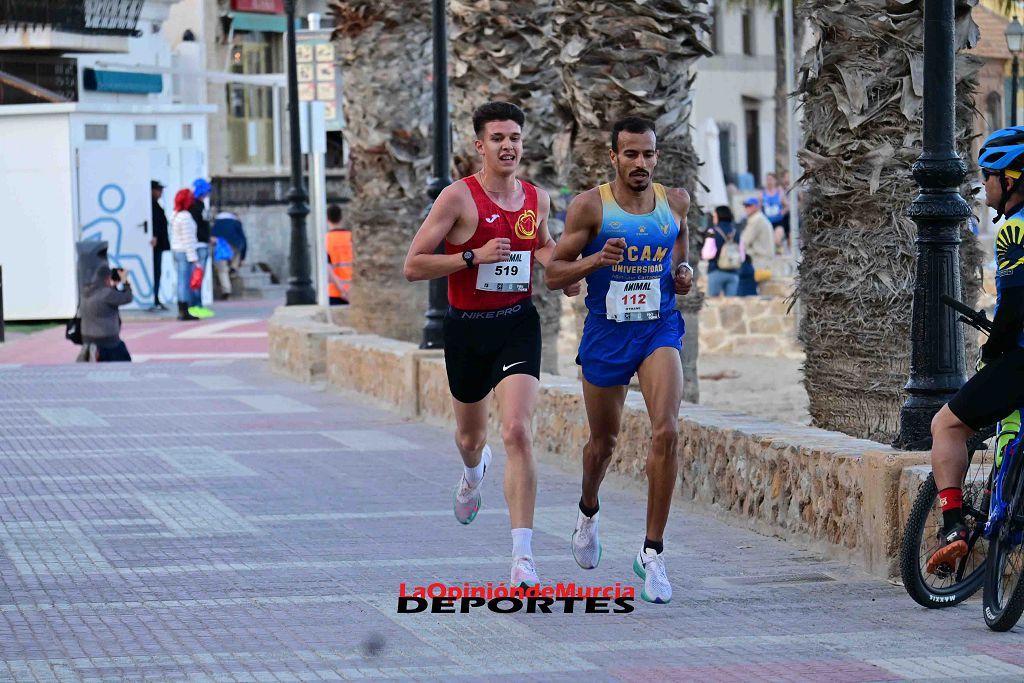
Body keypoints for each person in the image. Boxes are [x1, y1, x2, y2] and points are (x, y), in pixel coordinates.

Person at [403, 101, 579, 589]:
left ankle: (523, 557)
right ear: (479, 145)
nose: (508, 146)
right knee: (470, 439)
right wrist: (470, 256)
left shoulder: (536, 199)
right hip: (466, 328)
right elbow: (414, 265)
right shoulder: (457, 199)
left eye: (515, 138)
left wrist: (560, 272)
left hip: (517, 323)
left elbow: (541, 244)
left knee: (518, 431)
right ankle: (473, 472)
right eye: (498, 138)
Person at [545, 116, 693, 604]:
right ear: (614, 157)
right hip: (607, 333)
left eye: (648, 154)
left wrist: (684, 274)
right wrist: (594, 261)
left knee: (667, 430)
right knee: (602, 444)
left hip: (658, 328)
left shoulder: (674, 202)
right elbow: (552, 273)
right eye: (631, 154)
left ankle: (652, 553)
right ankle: (588, 510)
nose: (641, 163)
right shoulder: (590, 207)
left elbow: (679, 248)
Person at [928, 126, 1024, 574]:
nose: (983, 190)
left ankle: (952, 528)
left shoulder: (1016, 231)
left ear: (1011, 179)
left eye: (988, 177)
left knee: (946, 424)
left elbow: (1016, 308)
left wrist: (994, 350)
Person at [80, 266, 133, 362]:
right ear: (107, 279)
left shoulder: (85, 292)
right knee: (125, 360)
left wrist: (113, 285)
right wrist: (125, 281)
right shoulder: (107, 294)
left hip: (87, 338)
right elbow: (127, 297)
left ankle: (92, 353)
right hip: (107, 339)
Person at [170, 188, 200, 321]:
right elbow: (188, 239)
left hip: (177, 250)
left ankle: (182, 308)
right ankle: (184, 310)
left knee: (181, 281)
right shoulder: (186, 217)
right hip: (184, 252)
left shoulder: (175, 215)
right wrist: (194, 258)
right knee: (184, 282)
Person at [188, 178, 214, 318]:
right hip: (198, 244)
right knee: (196, 276)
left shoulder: (200, 205)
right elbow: (197, 227)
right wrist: (206, 237)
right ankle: (195, 305)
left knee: (199, 276)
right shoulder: (194, 206)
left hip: (202, 243)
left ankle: (198, 304)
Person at [737, 197, 774, 296]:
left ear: (757, 207)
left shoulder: (756, 219)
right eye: (745, 206)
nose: (746, 208)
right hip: (763, 261)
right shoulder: (760, 218)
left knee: (744, 293)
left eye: (749, 206)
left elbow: (744, 241)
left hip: (758, 263)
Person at [704, 205, 740, 297]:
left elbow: (707, 254)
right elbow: (742, 256)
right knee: (732, 304)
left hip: (716, 271)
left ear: (719, 216)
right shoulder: (737, 232)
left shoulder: (712, 231)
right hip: (733, 272)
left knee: (713, 303)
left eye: (715, 215)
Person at [211, 211, 246, 300]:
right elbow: (244, 240)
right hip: (235, 246)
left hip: (221, 247)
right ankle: (233, 268)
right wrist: (243, 257)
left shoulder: (216, 223)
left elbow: (211, 236)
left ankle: (226, 289)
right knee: (237, 256)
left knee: (222, 270)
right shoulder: (236, 222)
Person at [326, 204, 352, 305]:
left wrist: (342, 290)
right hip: (353, 290)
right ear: (341, 218)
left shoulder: (325, 240)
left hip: (334, 292)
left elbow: (328, 269)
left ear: (327, 219)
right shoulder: (352, 238)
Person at [149, 180, 169, 311]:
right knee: (154, 272)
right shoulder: (150, 206)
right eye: (158, 189)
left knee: (157, 272)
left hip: (159, 245)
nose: (160, 192)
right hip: (154, 245)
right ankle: (153, 298)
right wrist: (155, 235)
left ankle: (155, 297)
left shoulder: (156, 205)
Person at [761, 172, 788, 240]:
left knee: (777, 240)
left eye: (770, 179)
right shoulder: (762, 194)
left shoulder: (780, 193)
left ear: (775, 181)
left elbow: (787, 206)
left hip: (778, 222)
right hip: (766, 223)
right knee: (768, 242)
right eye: (767, 180)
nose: (769, 182)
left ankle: (778, 248)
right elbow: (758, 208)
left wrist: (783, 211)